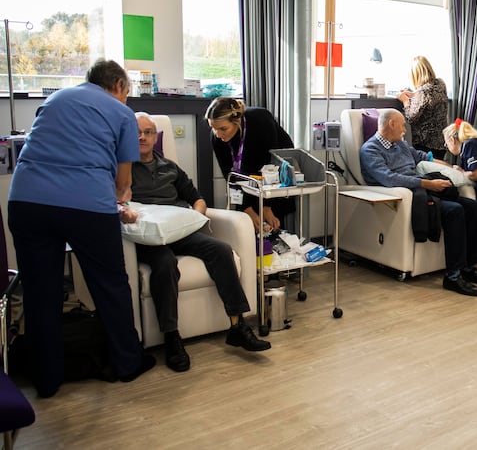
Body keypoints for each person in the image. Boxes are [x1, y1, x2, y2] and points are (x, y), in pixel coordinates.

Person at [7, 59, 155, 398]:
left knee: (41, 292)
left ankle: (46, 380)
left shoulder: (55, 99)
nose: (126, 100)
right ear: (118, 85)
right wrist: (120, 202)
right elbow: (124, 181)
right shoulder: (120, 114)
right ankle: (128, 362)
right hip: (86, 206)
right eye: (127, 93)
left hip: (26, 200)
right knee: (111, 285)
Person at [131, 113, 271, 372]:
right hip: (149, 237)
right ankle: (172, 337)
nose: (142, 137)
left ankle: (237, 325)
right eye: (137, 132)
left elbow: (197, 199)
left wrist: (196, 216)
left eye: (148, 132)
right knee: (164, 265)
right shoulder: (122, 168)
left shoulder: (170, 167)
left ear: (155, 137)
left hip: (179, 229)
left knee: (220, 249)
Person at [359, 109, 477, 296]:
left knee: (473, 206)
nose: (405, 129)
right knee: (455, 210)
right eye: (402, 125)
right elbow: (388, 178)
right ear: (391, 124)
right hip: (407, 194)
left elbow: (424, 158)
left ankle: (468, 268)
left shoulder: (401, 145)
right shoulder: (370, 150)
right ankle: (453, 277)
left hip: (424, 188)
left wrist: (454, 170)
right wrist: (427, 183)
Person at [205, 97, 294, 232]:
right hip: (246, 177)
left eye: (223, 129)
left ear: (237, 120)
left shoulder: (261, 119)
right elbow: (229, 174)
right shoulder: (217, 138)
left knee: (273, 225)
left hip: (275, 173)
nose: (218, 134)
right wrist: (246, 208)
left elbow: (272, 165)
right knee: (249, 223)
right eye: (213, 128)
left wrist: (267, 207)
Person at [397, 56, 450, 159]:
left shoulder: (423, 92)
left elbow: (411, 117)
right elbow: (430, 100)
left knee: (427, 171)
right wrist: (414, 95)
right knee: (439, 168)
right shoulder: (440, 84)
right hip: (441, 141)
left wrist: (405, 100)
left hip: (426, 143)